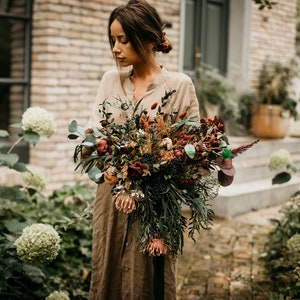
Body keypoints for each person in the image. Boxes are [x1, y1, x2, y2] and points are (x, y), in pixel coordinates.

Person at [87, 0, 200, 299]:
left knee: (149, 281)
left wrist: (159, 164)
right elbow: (94, 137)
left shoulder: (179, 85)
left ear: (149, 39)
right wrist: (107, 163)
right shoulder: (111, 80)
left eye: (123, 40)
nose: (115, 48)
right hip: (113, 198)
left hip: (156, 204)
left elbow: (190, 149)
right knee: (108, 273)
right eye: (113, 40)